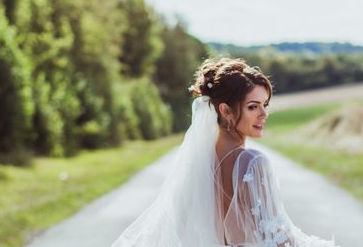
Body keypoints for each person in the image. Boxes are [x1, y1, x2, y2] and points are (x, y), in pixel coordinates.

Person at [110, 57, 340, 247]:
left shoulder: (201, 162)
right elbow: (276, 239)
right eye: (253, 106)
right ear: (226, 111)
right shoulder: (251, 162)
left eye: (265, 105)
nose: (264, 114)